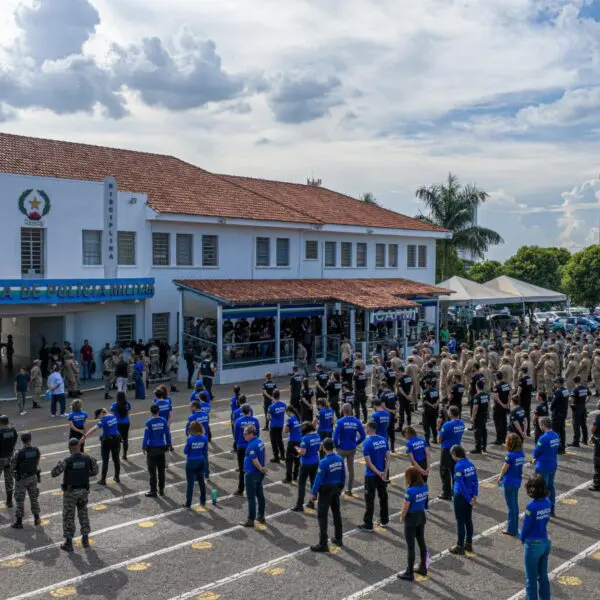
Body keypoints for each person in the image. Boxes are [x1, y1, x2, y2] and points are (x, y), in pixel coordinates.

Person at [50, 438, 99, 552]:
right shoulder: (88, 458)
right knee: (83, 513)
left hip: (70, 493)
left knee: (68, 516)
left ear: (69, 448)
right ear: (79, 446)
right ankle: (85, 539)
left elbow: (54, 473)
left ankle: (68, 543)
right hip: (83, 490)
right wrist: (84, 474)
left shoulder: (67, 460)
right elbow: (95, 471)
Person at [520, 474, 552, 600]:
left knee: (531, 579)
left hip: (533, 544)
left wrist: (522, 538)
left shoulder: (531, 506)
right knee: (543, 575)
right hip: (545, 541)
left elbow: (526, 526)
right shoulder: (548, 502)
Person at [309, 437, 345, 552]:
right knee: (336, 513)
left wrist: (313, 493)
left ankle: (323, 543)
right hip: (336, 488)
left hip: (325, 491)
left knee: (322, 516)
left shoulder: (324, 462)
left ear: (324, 448)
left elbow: (318, 479)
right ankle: (339, 538)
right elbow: (343, 475)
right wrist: (340, 487)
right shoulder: (339, 458)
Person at [358, 420, 390, 531]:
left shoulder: (367, 443)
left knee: (369, 500)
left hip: (371, 475)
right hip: (382, 474)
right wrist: (384, 472)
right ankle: (384, 520)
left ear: (368, 429)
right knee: (383, 497)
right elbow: (388, 457)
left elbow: (368, 462)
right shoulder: (384, 440)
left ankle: (368, 524)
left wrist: (378, 472)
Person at [398, 466, 429, 581]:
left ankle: (409, 572)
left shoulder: (409, 491)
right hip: (421, 516)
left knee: (411, 546)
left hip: (411, 519)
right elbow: (425, 501)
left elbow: (405, 507)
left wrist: (402, 517)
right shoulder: (425, 486)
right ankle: (423, 566)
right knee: (421, 542)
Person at [449, 445, 478, 555]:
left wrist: (468, 498)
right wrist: (474, 496)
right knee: (468, 520)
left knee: (460, 521)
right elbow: (475, 481)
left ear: (455, 454)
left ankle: (459, 545)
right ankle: (468, 544)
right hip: (470, 495)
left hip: (461, 496)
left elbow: (460, 485)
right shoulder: (470, 464)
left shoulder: (458, 466)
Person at [333, 403, 366, 497]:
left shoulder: (340, 422)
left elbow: (335, 438)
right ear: (351, 410)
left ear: (343, 411)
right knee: (351, 470)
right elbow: (363, 435)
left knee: (338, 469)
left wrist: (337, 446)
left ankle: (337, 489)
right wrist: (356, 443)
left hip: (342, 448)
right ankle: (349, 489)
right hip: (352, 448)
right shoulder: (357, 421)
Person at [83, 408, 121, 485]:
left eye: (98, 416)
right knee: (116, 459)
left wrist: (85, 436)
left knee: (105, 460)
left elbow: (94, 429)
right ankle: (117, 477)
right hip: (116, 439)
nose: (99, 418)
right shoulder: (113, 417)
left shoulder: (103, 420)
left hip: (107, 440)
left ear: (101, 413)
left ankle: (103, 480)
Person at [10, 432, 41, 529]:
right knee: (34, 498)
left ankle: (19, 522)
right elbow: (37, 462)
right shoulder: (36, 450)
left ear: (22, 440)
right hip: (33, 477)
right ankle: (37, 518)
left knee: (20, 500)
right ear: (30, 439)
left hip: (22, 479)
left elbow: (12, 467)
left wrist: (15, 475)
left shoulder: (18, 453)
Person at [498, 433, 525, 537]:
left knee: (511, 507)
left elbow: (505, 468)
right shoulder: (521, 453)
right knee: (515, 505)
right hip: (517, 481)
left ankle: (511, 529)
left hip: (509, 482)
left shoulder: (510, 455)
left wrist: (500, 477)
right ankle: (514, 527)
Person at [142, 404, 173, 497]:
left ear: (151, 412)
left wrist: (143, 447)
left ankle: (153, 490)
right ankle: (162, 490)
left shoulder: (148, 422)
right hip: (161, 448)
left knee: (152, 471)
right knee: (161, 470)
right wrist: (168, 444)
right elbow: (167, 434)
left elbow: (146, 436)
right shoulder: (163, 421)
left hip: (151, 449)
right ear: (158, 411)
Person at [240, 424, 267, 527]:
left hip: (252, 474)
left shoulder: (251, 445)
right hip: (260, 473)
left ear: (251, 434)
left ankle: (250, 520)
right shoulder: (260, 441)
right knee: (260, 495)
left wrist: (260, 468)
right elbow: (265, 454)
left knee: (251, 497)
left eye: (245, 434)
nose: (244, 435)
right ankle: (261, 516)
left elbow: (254, 459)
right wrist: (264, 467)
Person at [437, 406, 465, 501]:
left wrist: (438, 427)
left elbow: (439, 439)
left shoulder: (447, 425)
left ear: (451, 413)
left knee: (444, 471)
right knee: (455, 471)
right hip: (458, 448)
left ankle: (446, 493)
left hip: (447, 450)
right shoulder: (461, 423)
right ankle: (456, 490)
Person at [292, 422, 321, 512]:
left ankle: (299, 505)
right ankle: (312, 502)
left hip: (306, 464)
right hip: (315, 461)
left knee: (302, 484)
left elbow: (303, 452)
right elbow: (319, 448)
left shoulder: (305, 439)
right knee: (313, 483)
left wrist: (297, 449)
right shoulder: (317, 436)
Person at [533, 417, 559, 516]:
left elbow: (536, 452)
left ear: (543, 425)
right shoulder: (556, 435)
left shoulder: (543, 438)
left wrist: (535, 458)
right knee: (551, 487)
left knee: (541, 488)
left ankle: (541, 510)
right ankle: (551, 508)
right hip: (553, 464)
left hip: (543, 466)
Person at [233, 405, 260, 496]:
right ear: (250, 411)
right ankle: (254, 488)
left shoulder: (238, 421)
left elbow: (235, 435)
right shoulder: (255, 420)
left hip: (241, 446)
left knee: (242, 469)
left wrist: (238, 443)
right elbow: (258, 434)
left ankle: (240, 489)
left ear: (242, 411)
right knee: (253, 467)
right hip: (252, 446)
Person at [183, 420, 208, 508]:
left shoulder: (189, 439)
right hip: (201, 460)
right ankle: (203, 500)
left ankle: (188, 503)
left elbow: (185, 451)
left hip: (191, 462)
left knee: (190, 483)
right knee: (201, 481)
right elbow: (205, 450)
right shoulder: (204, 438)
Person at [403, 426, 430, 507]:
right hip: (425, 464)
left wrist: (420, 470)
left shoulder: (409, 443)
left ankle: (414, 505)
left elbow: (412, 460)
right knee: (424, 485)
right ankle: (426, 505)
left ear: (407, 434)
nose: (405, 438)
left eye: (405, 436)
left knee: (414, 486)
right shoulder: (422, 440)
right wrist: (427, 467)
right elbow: (427, 454)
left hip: (417, 467)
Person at [0, 415, 18, 507]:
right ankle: (9, 501)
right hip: (10, 457)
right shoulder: (13, 431)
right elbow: (15, 439)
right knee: (9, 479)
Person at [569, 375, 590, 447]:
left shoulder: (575, 390)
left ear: (574, 381)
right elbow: (589, 395)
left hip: (577, 407)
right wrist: (586, 401)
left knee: (576, 425)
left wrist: (571, 404)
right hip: (583, 406)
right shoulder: (585, 388)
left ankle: (576, 442)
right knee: (583, 424)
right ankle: (585, 440)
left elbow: (572, 399)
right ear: (580, 380)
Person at [550, 376, 569, 454]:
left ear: (558, 383)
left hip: (557, 413)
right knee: (562, 430)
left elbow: (553, 403)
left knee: (556, 431)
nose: (554, 384)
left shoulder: (558, 391)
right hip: (563, 412)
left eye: (555, 382)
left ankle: (558, 448)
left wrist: (551, 408)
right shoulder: (566, 390)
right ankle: (562, 447)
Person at [283, 405, 302, 484]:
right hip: (299, 442)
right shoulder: (298, 418)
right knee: (297, 460)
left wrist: (285, 425)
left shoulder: (290, 419)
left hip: (292, 442)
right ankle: (295, 476)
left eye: (286, 412)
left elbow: (285, 431)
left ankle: (288, 478)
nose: (286, 414)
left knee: (289, 460)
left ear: (289, 411)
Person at [471, 379, 489, 454]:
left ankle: (478, 448)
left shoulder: (477, 396)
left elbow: (475, 407)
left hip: (478, 416)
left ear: (476, 386)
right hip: (484, 415)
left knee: (477, 432)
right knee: (483, 430)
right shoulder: (486, 394)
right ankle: (483, 446)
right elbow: (487, 405)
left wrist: (473, 417)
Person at [267, 389, 286, 463]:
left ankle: (276, 457)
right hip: (280, 425)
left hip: (273, 425)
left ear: (273, 396)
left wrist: (272, 419)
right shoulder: (283, 404)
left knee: (274, 442)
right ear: (279, 396)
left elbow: (268, 417)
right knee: (280, 440)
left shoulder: (271, 406)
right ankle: (283, 455)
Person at [111, 392, 131, 460]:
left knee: (117, 439)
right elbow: (128, 412)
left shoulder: (114, 405)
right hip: (126, 423)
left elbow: (112, 412)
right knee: (125, 439)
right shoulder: (127, 404)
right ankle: (125, 455)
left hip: (117, 424)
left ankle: (117, 456)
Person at [492, 371, 511, 445]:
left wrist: (502, 404)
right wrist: (507, 404)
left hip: (498, 407)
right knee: (504, 422)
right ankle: (504, 438)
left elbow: (496, 398)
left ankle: (499, 439)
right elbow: (510, 395)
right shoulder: (507, 385)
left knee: (498, 423)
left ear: (496, 377)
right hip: (505, 406)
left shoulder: (496, 386)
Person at [516, 366, 534, 437]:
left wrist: (516, 395)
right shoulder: (529, 379)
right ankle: (528, 431)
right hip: (528, 398)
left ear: (522, 371)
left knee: (521, 415)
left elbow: (519, 389)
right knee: (527, 415)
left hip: (523, 399)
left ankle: (522, 430)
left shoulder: (522, 379)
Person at [421, 378, 439, 446]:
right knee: (434, 426)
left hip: (427, 412)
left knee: (426, 427)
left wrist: (431, 405)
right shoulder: (436, 390)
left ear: (427, 384)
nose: (424, 384)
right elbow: (438, 399)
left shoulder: (425, 392)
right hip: (434, 411)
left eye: (425, 383)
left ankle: (427, 442)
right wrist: (435, 404)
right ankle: (435, 439)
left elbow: (424, 401)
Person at [396, 366, 413, 430]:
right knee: (408, 410)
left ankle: (400, 426)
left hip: (403, 397)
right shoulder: (409, 377)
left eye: (398, 372)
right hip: (408, 395)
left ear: (400, 371)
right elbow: (412, 386)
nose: (398, 373)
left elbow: (400, 389)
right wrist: (410, 395)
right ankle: (409, 424)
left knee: (401, 411)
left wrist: (405, 395)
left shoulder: (401, 379)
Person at [590, 399, 600, 492]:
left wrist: (592, 435)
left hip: (599, 442)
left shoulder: (598, 415)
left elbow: (594, 428)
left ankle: (597, 484)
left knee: (597, 464)